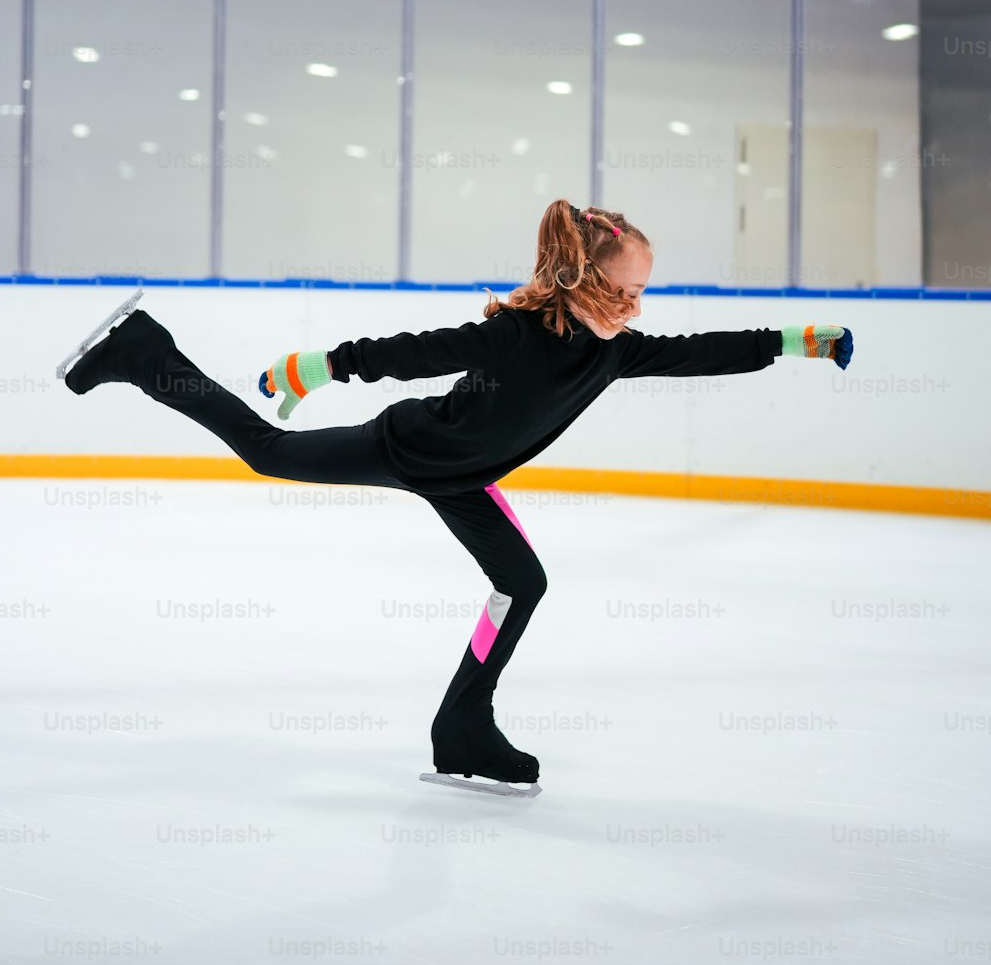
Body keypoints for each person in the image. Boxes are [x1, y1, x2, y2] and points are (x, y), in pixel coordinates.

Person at [63, 198, 853, 793]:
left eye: (643, 294)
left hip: (467, 479)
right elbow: (419, 352)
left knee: (523, 583)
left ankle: (462, 726)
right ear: (579, 283)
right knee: (268, 454)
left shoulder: (613, 355)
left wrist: (796, 342)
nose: (637, 309)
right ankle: (145, 353)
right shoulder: (517, 338)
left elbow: (700, 352)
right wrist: (322, 365)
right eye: (624, 293)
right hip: (407, 448)